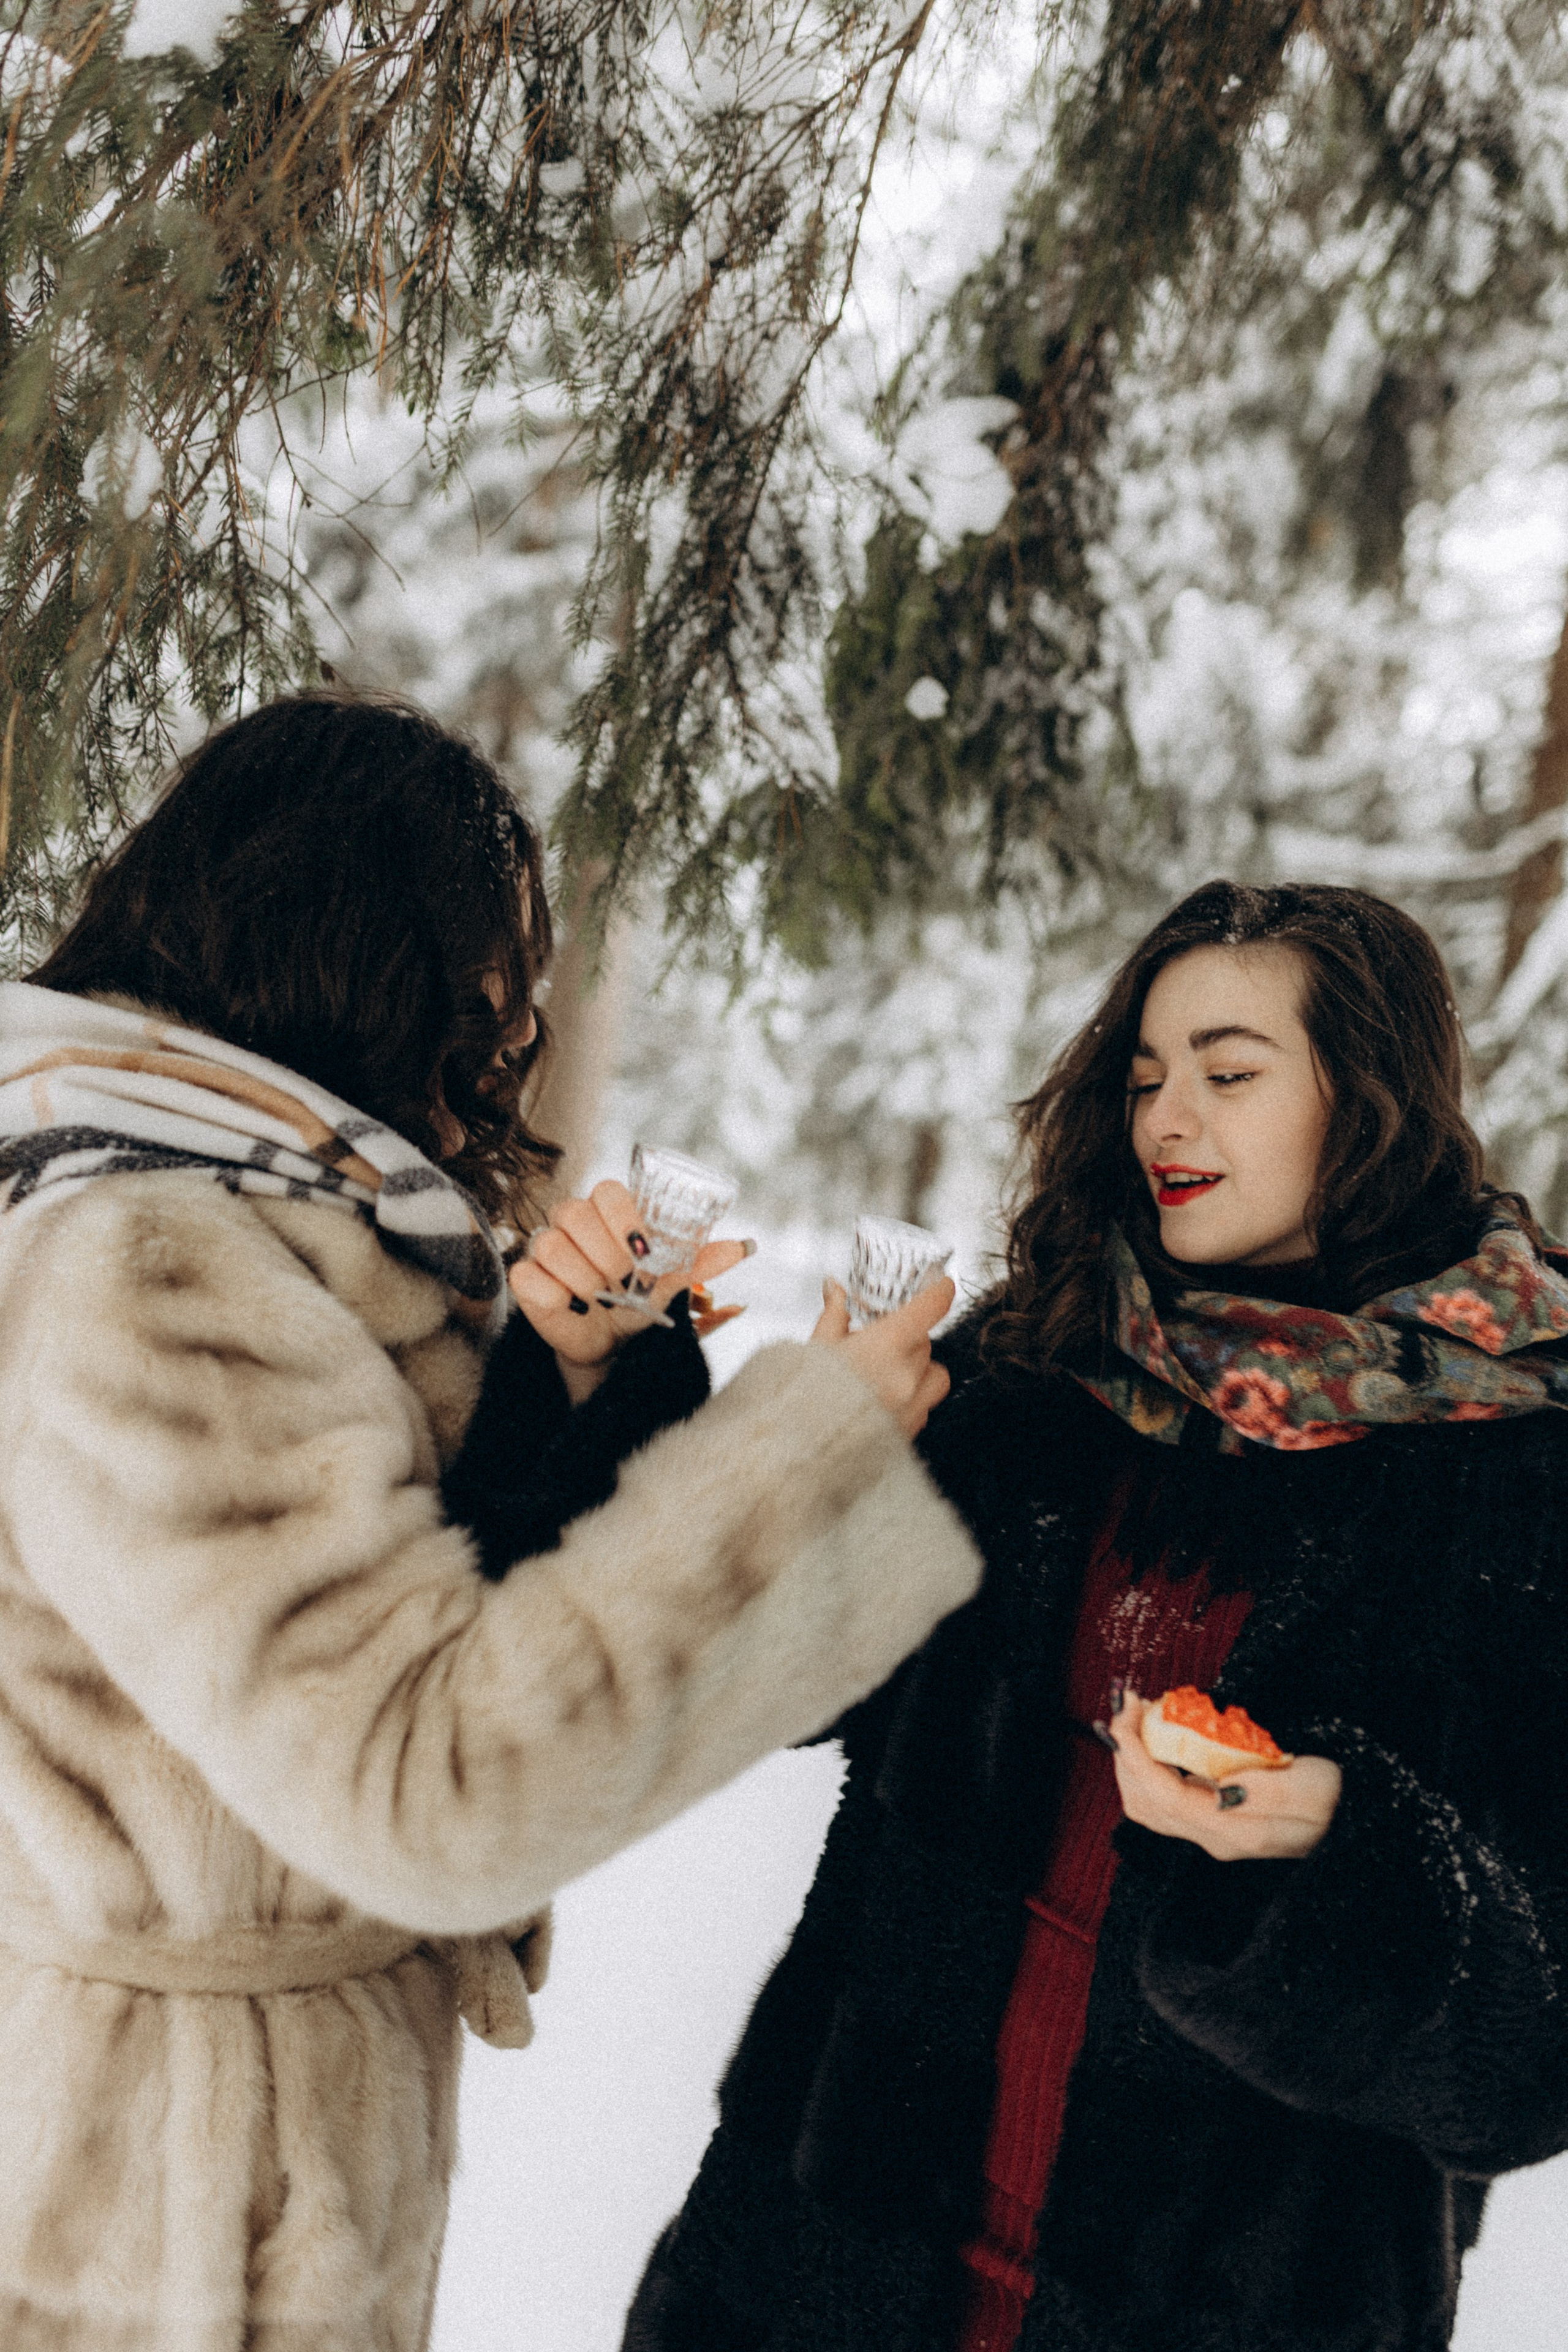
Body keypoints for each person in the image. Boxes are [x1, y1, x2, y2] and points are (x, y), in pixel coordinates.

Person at [0, 692, 979, 2352]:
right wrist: (810, 1462)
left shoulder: (192, 1201)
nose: (508, 1035)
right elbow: (422, 1785)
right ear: (359, 948)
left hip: (183, 2145)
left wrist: (557, 1392)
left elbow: (322, 1626)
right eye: (486, 981)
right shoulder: (162, 1268)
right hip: (147, 2211)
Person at [626, 878, 1568, 2352]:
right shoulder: (1032, 1378)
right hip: (825, 2281)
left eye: (1227, 1072)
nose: (1164, 1119)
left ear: (1370, 1096)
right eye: (1141, 1078)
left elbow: (1523, 2058)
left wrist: (1332, 1846)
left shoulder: (1512, 1468)